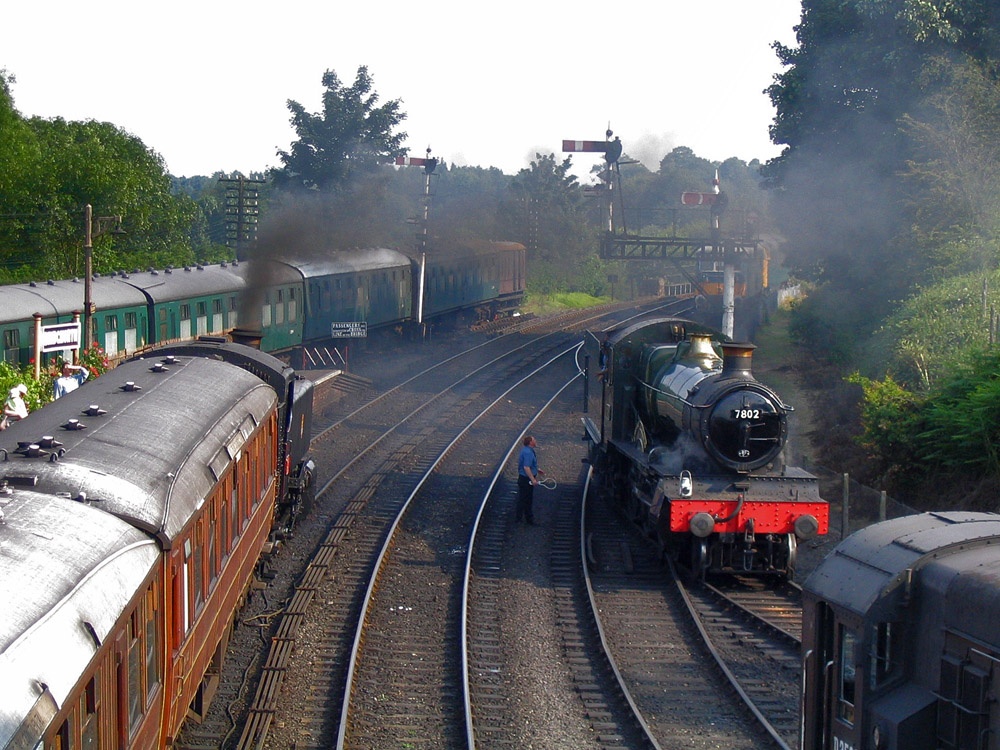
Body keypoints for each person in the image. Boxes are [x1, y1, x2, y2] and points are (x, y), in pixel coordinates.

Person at [515, 435, 543, 525]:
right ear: (530, 442)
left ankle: (524, 518)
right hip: (526, 480)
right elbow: (526, 467)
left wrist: (537, 469)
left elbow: (529, 464)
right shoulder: (528, 452)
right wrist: (533, 479)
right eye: (534, 440)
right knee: (525, 499)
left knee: (525, 499)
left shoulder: (527, 450)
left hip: (525, 478)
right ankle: (524, 519)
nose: (536, 441)